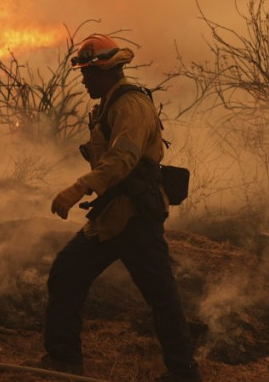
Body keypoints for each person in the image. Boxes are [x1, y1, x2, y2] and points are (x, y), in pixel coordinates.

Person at [27, 33, 202, 382]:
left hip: (136, 218)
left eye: (87, 74)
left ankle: (184, 372)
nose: (83, 80)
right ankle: (64, 358)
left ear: (105, 71)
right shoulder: (108, 104)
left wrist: (79, 188)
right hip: (112, 216)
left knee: (161, 295)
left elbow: (123, 157)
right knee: (67, 272)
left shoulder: (130, 105)